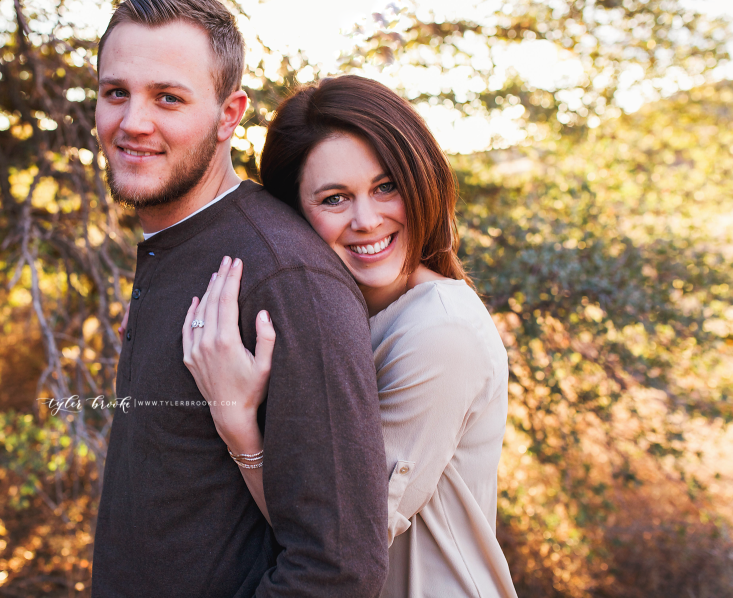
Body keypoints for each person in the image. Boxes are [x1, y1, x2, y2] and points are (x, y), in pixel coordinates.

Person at [90, 0, 389, 596]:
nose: (132, 122)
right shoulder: (176, 244)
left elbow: (338, 569)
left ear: (230, 115)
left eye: (168, 98)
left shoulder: (285, 278)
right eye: (115, 92)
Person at [183, 75, 518, 597]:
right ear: (295, 216)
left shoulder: (439, 332)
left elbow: (341, 540)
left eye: (386, 187)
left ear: (421, 181)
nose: (367, 220)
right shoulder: (335, 317)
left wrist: (238, 425)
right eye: (336, 198)